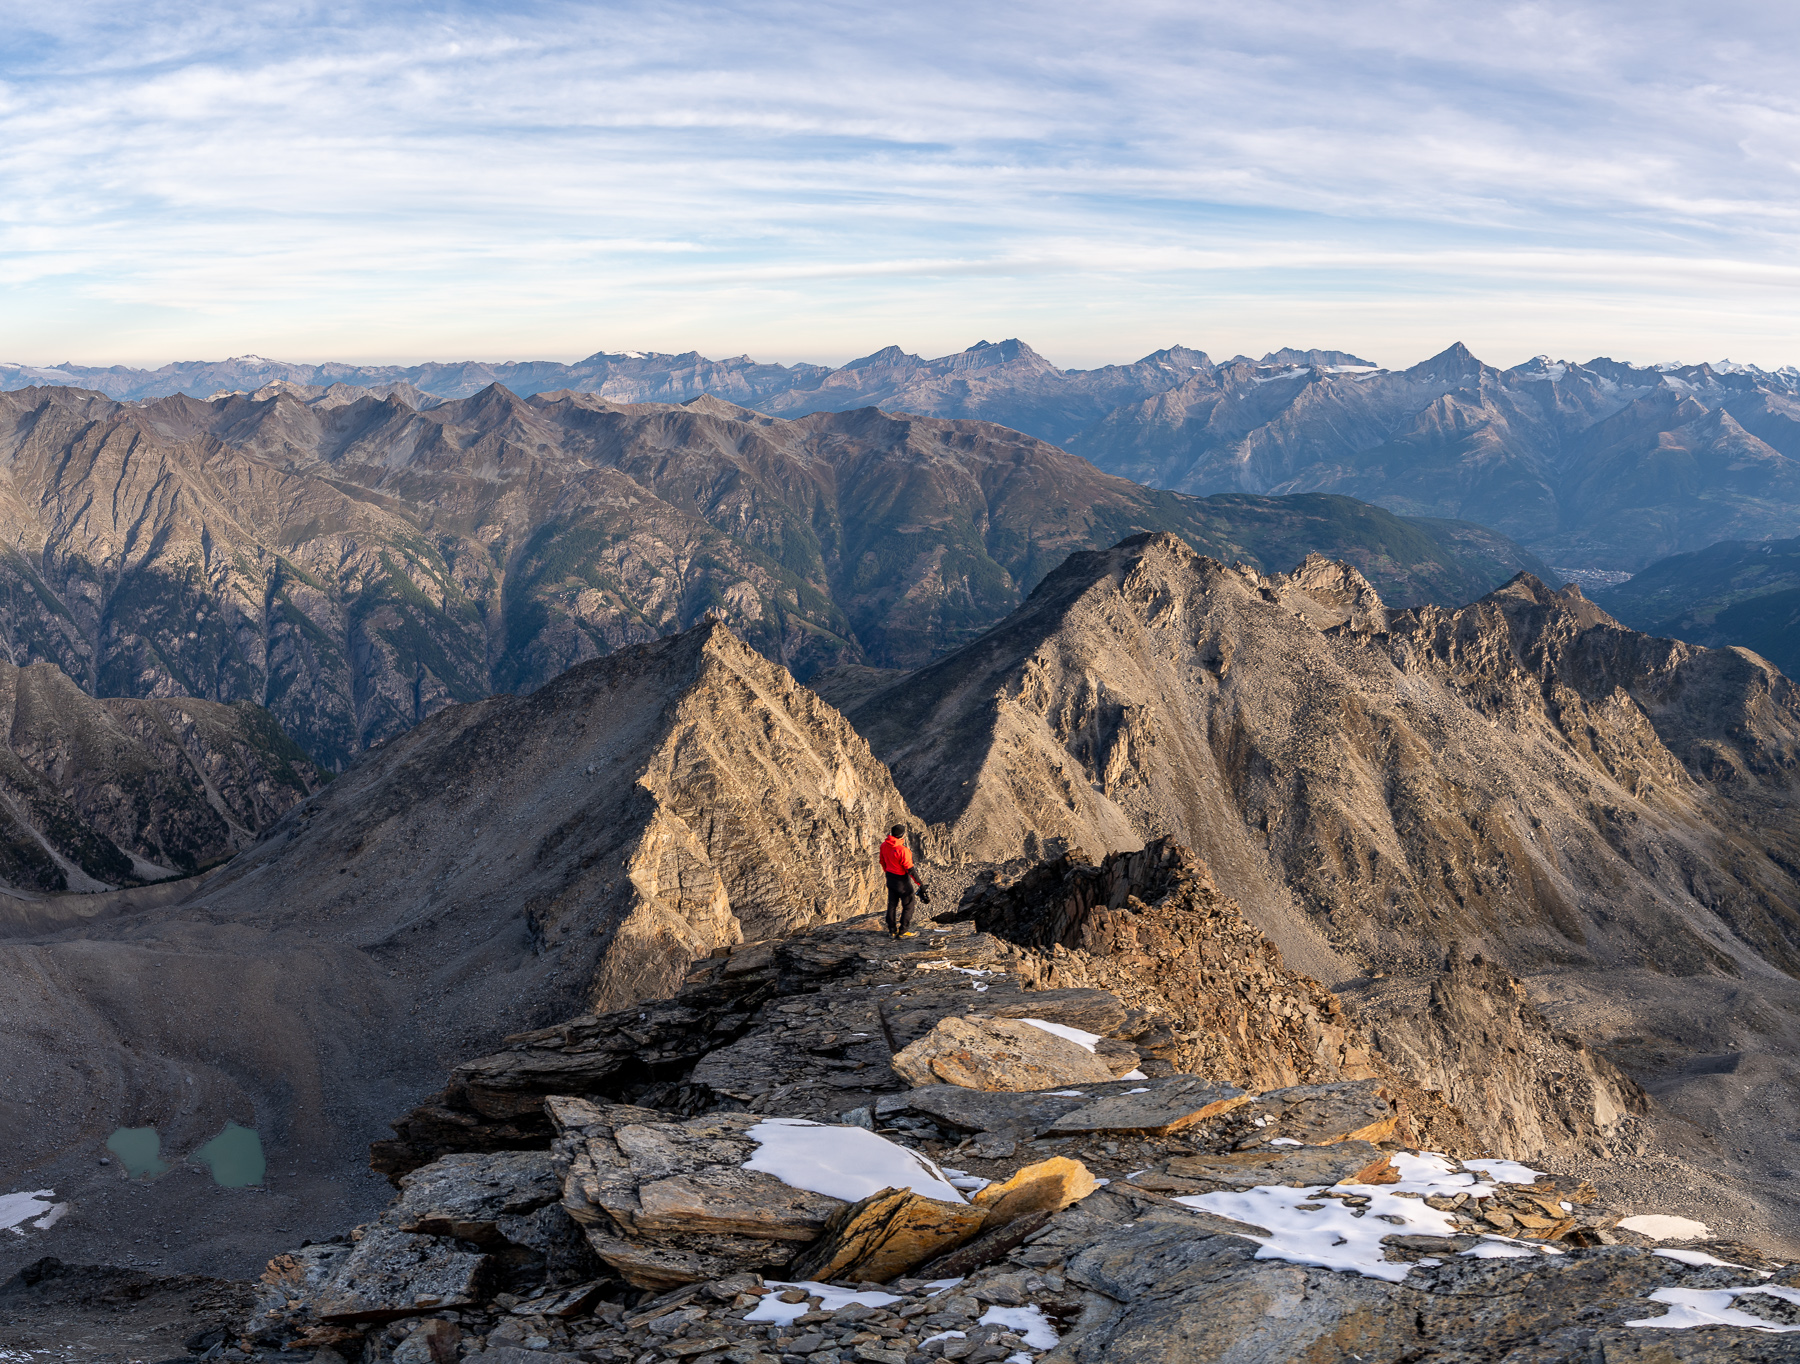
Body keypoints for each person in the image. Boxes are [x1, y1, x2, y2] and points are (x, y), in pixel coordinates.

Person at [879, 824, 926, 938]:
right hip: (902, 881)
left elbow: (882, 861)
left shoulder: (884, 845)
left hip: (890, 878)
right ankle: (903, 931)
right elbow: (910, 869)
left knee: (892, 905)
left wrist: (888, 872)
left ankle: (892, 930)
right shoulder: (903, 850)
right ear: (903, 835)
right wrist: (920, 883)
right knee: (909, 905)